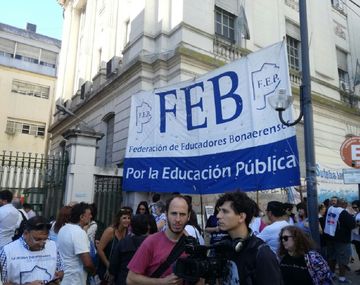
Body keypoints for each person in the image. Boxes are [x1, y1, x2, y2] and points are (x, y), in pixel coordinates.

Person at [127, 194, 202, 285]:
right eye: (173, 213)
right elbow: (130, 279)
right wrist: (161, 282)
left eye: (182, 214)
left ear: (188, 216)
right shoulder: (151, 242)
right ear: (166, 214)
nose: (178, 219)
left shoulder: (193, 245)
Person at [216, 191, 283, 285]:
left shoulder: (261, 253)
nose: (218, 216)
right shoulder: (223, 247)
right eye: (219, 211)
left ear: (241, 217)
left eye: (225, 211)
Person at [0, 216, 64, 284]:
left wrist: (58, 277)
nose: (41, 244)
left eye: (45, 239)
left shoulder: (53, 246)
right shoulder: (7, 252)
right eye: (37, 239)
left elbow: (60, 269)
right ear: (25, 234)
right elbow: (3, 282)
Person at [109, 214, 157, 285]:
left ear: (131, 227)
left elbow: (113, 266)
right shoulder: (153, 244)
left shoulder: (123, 242)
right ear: (147, 227)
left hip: (123, 280)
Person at [57, 202, 96, 285]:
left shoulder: (63, 228)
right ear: (81, 217)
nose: (91, 217)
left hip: (64, 278)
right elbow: (87, 263)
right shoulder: (79, 232)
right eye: (89, 214)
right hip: (74, 280)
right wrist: (94, 272)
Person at [324, 198, 356, 283]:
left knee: (332, 257)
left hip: (329, 237)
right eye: (346, 204)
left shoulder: (330, 209)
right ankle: (342, 278)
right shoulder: (343, 212)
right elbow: (352, 225)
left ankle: (332, 274)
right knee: (343, 258)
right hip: (341, 240)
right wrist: (351, 213)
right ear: (344, 204)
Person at [97, 207, 131, 283]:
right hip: (105, 267)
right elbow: (99, 249)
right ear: (119, 219)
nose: (127, 220)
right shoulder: (110, 231)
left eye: (129, 218)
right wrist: (108, 266)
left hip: (117, 269)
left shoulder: (127, 231)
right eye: (124, 218)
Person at [351, 200, 360, 274]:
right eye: (353, 207)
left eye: (355, 207)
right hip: (356, 237)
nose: (354, 208)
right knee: (359, 253)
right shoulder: (356, 213)